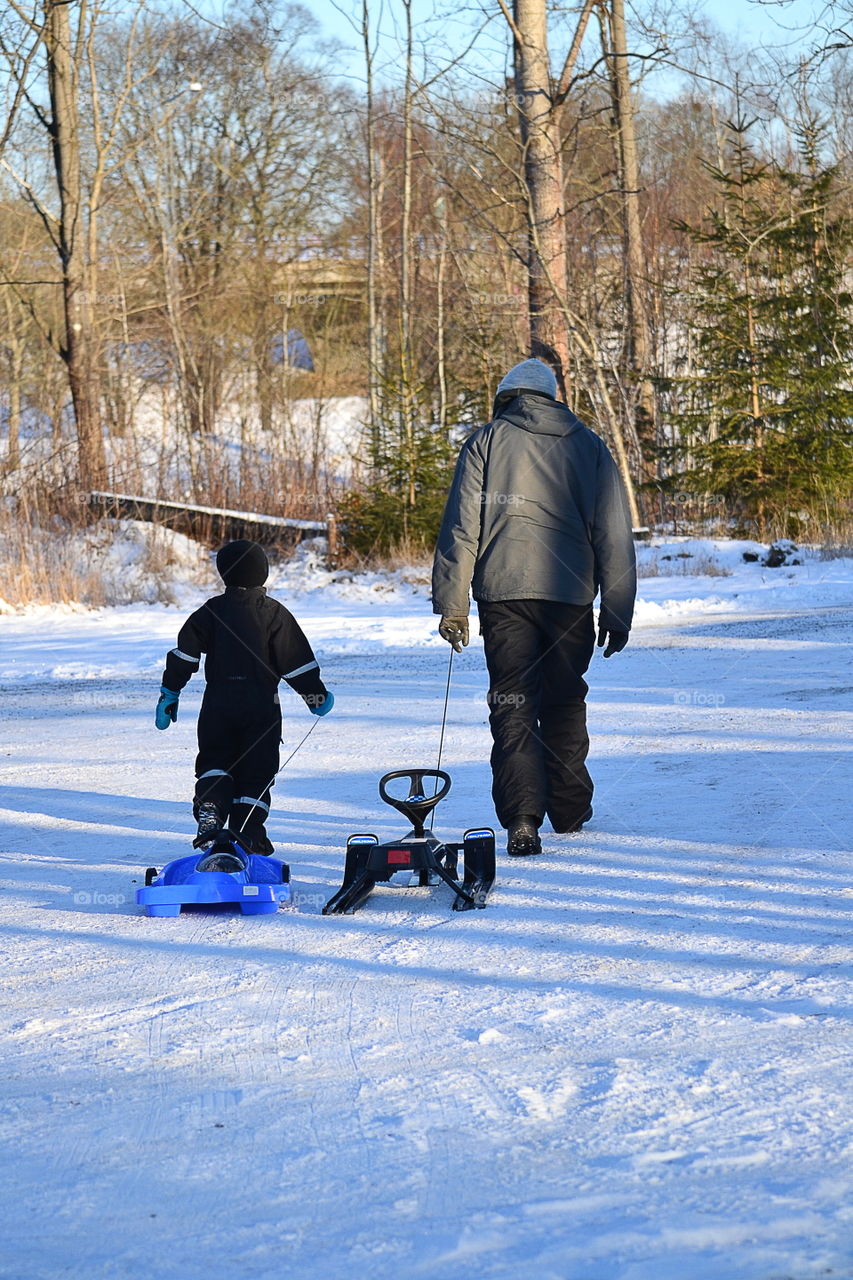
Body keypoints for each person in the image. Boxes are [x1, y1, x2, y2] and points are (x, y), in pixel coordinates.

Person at [432, 357, 636, 856]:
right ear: (552, 398)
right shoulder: (588, 444)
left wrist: (452, 603)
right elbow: (613, 533)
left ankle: (523, 818)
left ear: (507, 397)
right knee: (565, 699)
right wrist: (617, 608)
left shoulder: (485, 441)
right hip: (570, 597)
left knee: (512, 703)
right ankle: (568, 810)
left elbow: (463, 528)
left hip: (503, 597)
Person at [154, 538, 333, 853]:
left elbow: (185, 655)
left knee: (215, 759)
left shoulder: (210, 611)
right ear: (263, 572)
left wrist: (170, 692)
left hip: (217, 705)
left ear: (224, 574)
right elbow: (295, 661)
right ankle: (248, 831)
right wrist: (315, 696)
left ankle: (211, 803)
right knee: (257, 768)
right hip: (260, 706)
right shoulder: (273, 613)